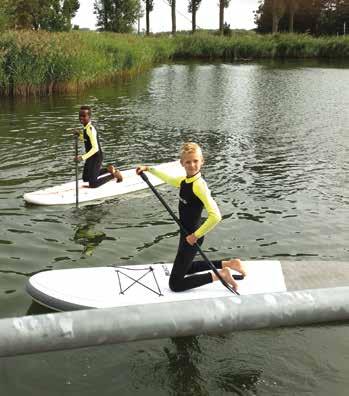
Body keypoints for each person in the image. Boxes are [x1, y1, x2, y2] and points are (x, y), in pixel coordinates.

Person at [136, 142, 246, 292]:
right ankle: (229, 264)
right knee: (186, 268)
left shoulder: (199, 185)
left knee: (175, 285)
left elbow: (216, 216)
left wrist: (196, 235)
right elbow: (168, 179)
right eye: (188, 161)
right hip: (186, 233)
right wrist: (149, 169)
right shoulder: (185, 181)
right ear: (182, 163)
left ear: (202, 161)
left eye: (195, 161)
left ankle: (221, 274)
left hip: (193, 235)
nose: (192, 165)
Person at [74, 105, 123, 188]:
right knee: (85, 178)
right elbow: (86, 139)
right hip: (90, 156)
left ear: (89, 116)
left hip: (96, 157)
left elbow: (95, 148)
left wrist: (82, 157)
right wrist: (79, 135)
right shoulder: (86, 128)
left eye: (84, 116)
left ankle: (114, 175)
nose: (81, 118)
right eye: (80, 116)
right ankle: (108, 170)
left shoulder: (90, 129)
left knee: (93, 184)